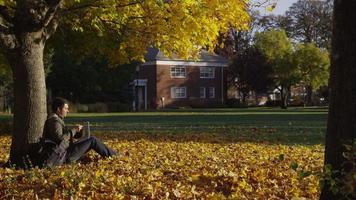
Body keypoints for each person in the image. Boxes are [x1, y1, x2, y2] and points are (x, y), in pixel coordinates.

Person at [41, 97, 116, 167]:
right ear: (58, 109)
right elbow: (60, 138)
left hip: (65, 151)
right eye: (66, 108)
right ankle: (114, 156)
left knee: (89, 139)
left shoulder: (57, 120)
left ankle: (113, 155)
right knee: (92, 140)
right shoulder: (55, 121)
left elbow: (65, 135)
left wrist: (78, 131)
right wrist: (74, 130)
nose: (68, 111)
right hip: (64, 155)